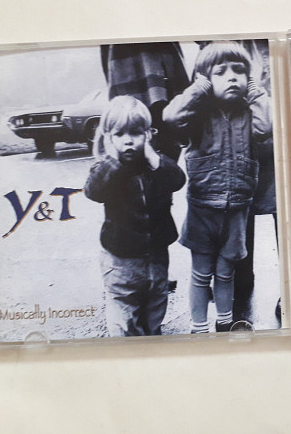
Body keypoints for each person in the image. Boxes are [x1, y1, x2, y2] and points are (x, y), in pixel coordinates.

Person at [163, 42, 272, 333]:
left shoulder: (248, 111)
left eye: (239, 71)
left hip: (237, 208)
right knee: (201, 274)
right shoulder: (199, 113)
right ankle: (199, 327)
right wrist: (199, 88)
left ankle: (224, 321)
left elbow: (265, 128)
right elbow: (171, 117)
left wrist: (255, 91)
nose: (232, 77)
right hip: (202, 207)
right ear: (206, 80)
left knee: (226, 272)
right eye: (221, 72)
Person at [85, 96, 186, 336]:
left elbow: (177, 180)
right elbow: (93, 191)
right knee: (124, 321)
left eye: (136, 133)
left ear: (148, 135)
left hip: (156, 259)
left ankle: (150, 341)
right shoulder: (106, 168)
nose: (128, 140)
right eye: (119, 134)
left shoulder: (156, 165)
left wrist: (152, 156)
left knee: (155, 308)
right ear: (108, 138)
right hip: (120, 262)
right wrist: (113, 160)